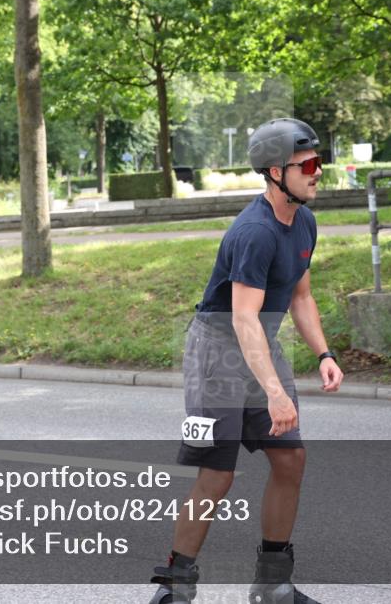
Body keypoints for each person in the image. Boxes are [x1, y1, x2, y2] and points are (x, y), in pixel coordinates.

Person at [149, 118, 344, 604]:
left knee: (290, 457)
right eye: (310, 165)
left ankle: (272, 584)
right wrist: (275, 391)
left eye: (320, 163)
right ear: (276, 172)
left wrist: (323, 352)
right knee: (218, 473)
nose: (319, 173)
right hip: (216, 354)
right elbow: (241, 319)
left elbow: (300, 296)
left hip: (258, 345)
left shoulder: (304, 221)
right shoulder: (253, 233)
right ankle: (175, 589)